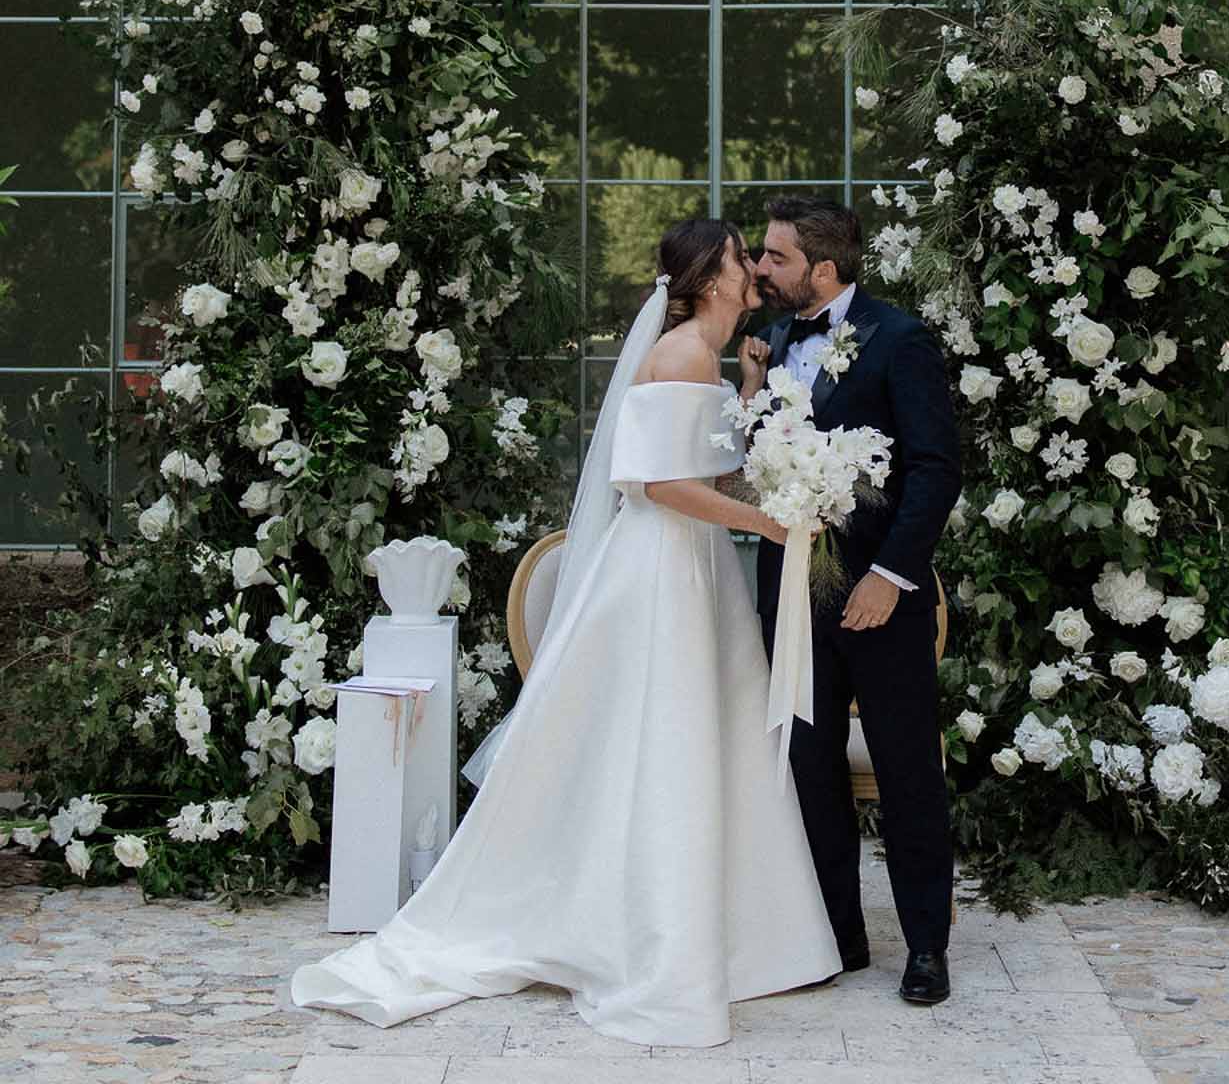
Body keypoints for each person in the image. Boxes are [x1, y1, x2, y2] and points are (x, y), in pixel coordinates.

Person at [291, 218, 840, 1047]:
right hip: (663, 572)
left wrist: (758, 403)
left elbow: (708, 466)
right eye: (738, 258)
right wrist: (766, 524)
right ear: (707, 277)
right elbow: (655, 485)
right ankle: (648, 937)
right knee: (666, 742)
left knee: (703, 738)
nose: (752, 270)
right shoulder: (682, 352)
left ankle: (732, 936)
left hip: (700, 570)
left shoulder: (715, 355)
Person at [747, 193, 961, 1008]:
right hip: (790, 597)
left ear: (821, 269)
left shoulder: (899, 340)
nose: (760, 269)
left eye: (773, 257)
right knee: (807, 769)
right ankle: (834, 937)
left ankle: (926, 950)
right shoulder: (768, 341)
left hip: (880, 597)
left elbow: (934, 469)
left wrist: (889, 578)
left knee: (908, 772)